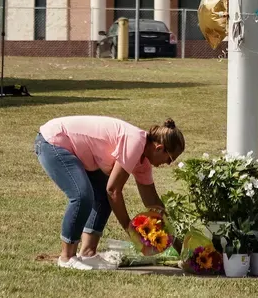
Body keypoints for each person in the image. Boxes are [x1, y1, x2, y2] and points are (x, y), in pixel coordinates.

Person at [35, 116, 185, 270]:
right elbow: (113, 191)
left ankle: (88, 253)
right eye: (170, 159)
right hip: (53, 141)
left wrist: (179, 244)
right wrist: (130, 228)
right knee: (82, 196)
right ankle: (66, 257)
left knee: (101, 196)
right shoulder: (135, 142)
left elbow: (153, 202)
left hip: (76, 150)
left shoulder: (143, 162)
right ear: (159, 148)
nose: (168, 164)